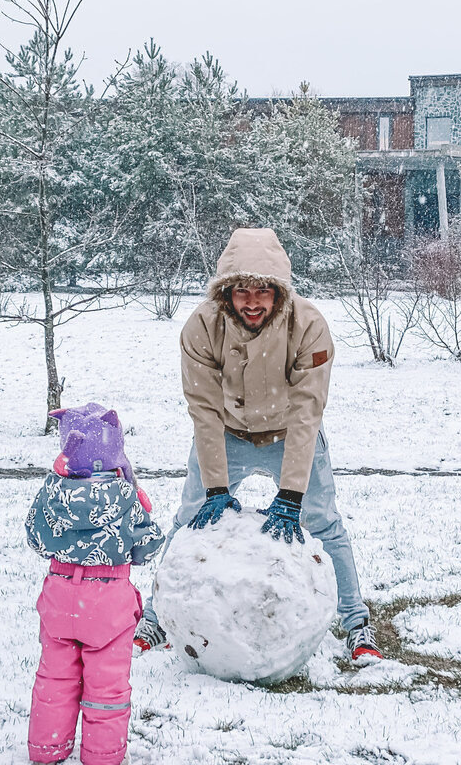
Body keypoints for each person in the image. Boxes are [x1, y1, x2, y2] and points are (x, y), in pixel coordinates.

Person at [133, 227, 382, 661]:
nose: (252, 301)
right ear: (226, 293)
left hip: (290, 433)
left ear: (279, 292)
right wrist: (215, 488)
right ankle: (156, 620)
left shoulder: (309, 325)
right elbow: (203, 410)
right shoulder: (201, 327)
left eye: (263, 290)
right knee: (190, 518)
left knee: (323, 522)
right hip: (226, 432)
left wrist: (290, 495)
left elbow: (309, 412)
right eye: (241, 291)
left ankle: (357, 623)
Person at [25, 403, 165, 765]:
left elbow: (36, 537)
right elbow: (147, 546)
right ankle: (102, 756)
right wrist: (139, 501)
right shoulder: (124, 495)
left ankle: (46, 749)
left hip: (59, 597)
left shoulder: (54, 492)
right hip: (108, 605)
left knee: (54, 680)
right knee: (107, 687)